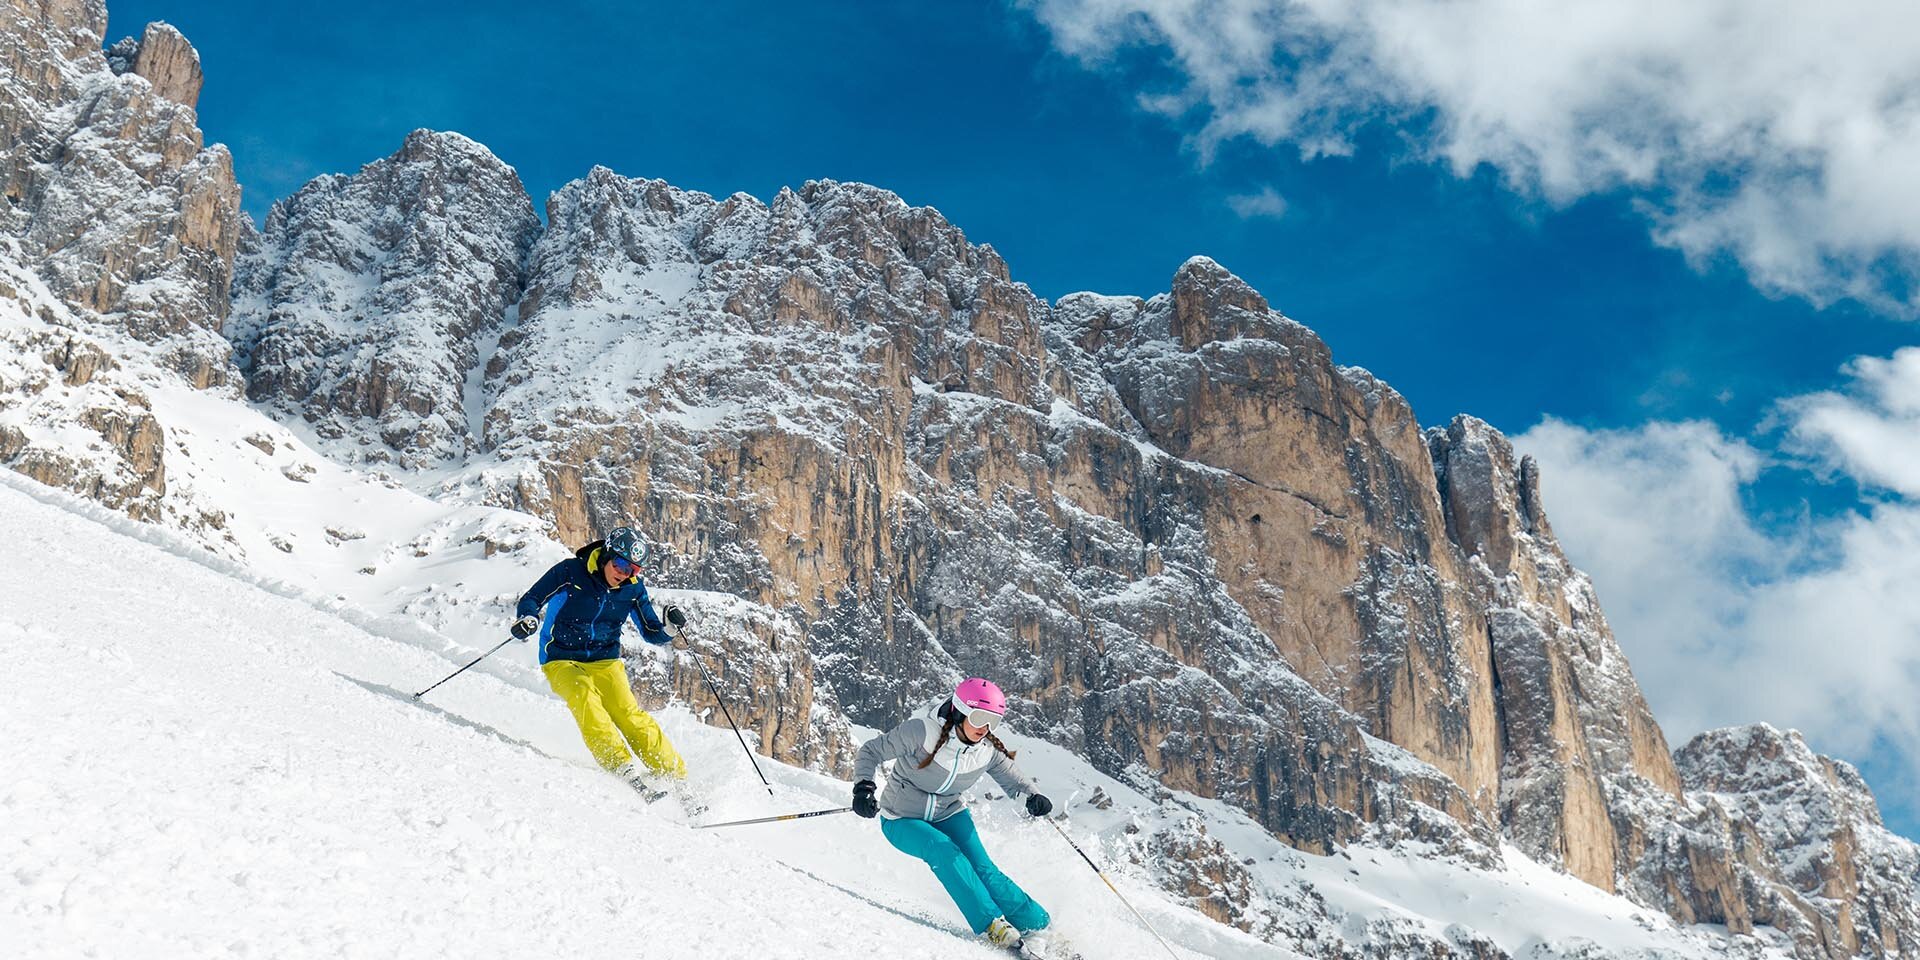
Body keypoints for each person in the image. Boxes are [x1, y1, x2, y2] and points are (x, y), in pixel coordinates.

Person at [851, 677, 1060, 954]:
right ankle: (992, 925)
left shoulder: (986, 752)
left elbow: (1014, 780)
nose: (985, 728)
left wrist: (1034, 797)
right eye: (980, 717)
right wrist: (863, 787)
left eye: (993, 721)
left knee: (984, 868)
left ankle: (1037, 924)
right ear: (959, 711)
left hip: (949, 813)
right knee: (943, 851)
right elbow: (871, 751)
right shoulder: (921, 732)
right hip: (901, 818)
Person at [512, 525, 686, 792]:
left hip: (605, 660)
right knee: (585, 698)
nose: (623, 574)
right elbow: (533, 598)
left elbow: (651, 632)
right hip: (561, 658)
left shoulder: (632, 589)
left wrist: (670, 630)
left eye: (632, 570)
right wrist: (528, 617)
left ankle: (675, 778)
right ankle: (622, 767)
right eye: (619, 564)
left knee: (629, 715)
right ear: (607, 555)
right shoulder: (571, 571)